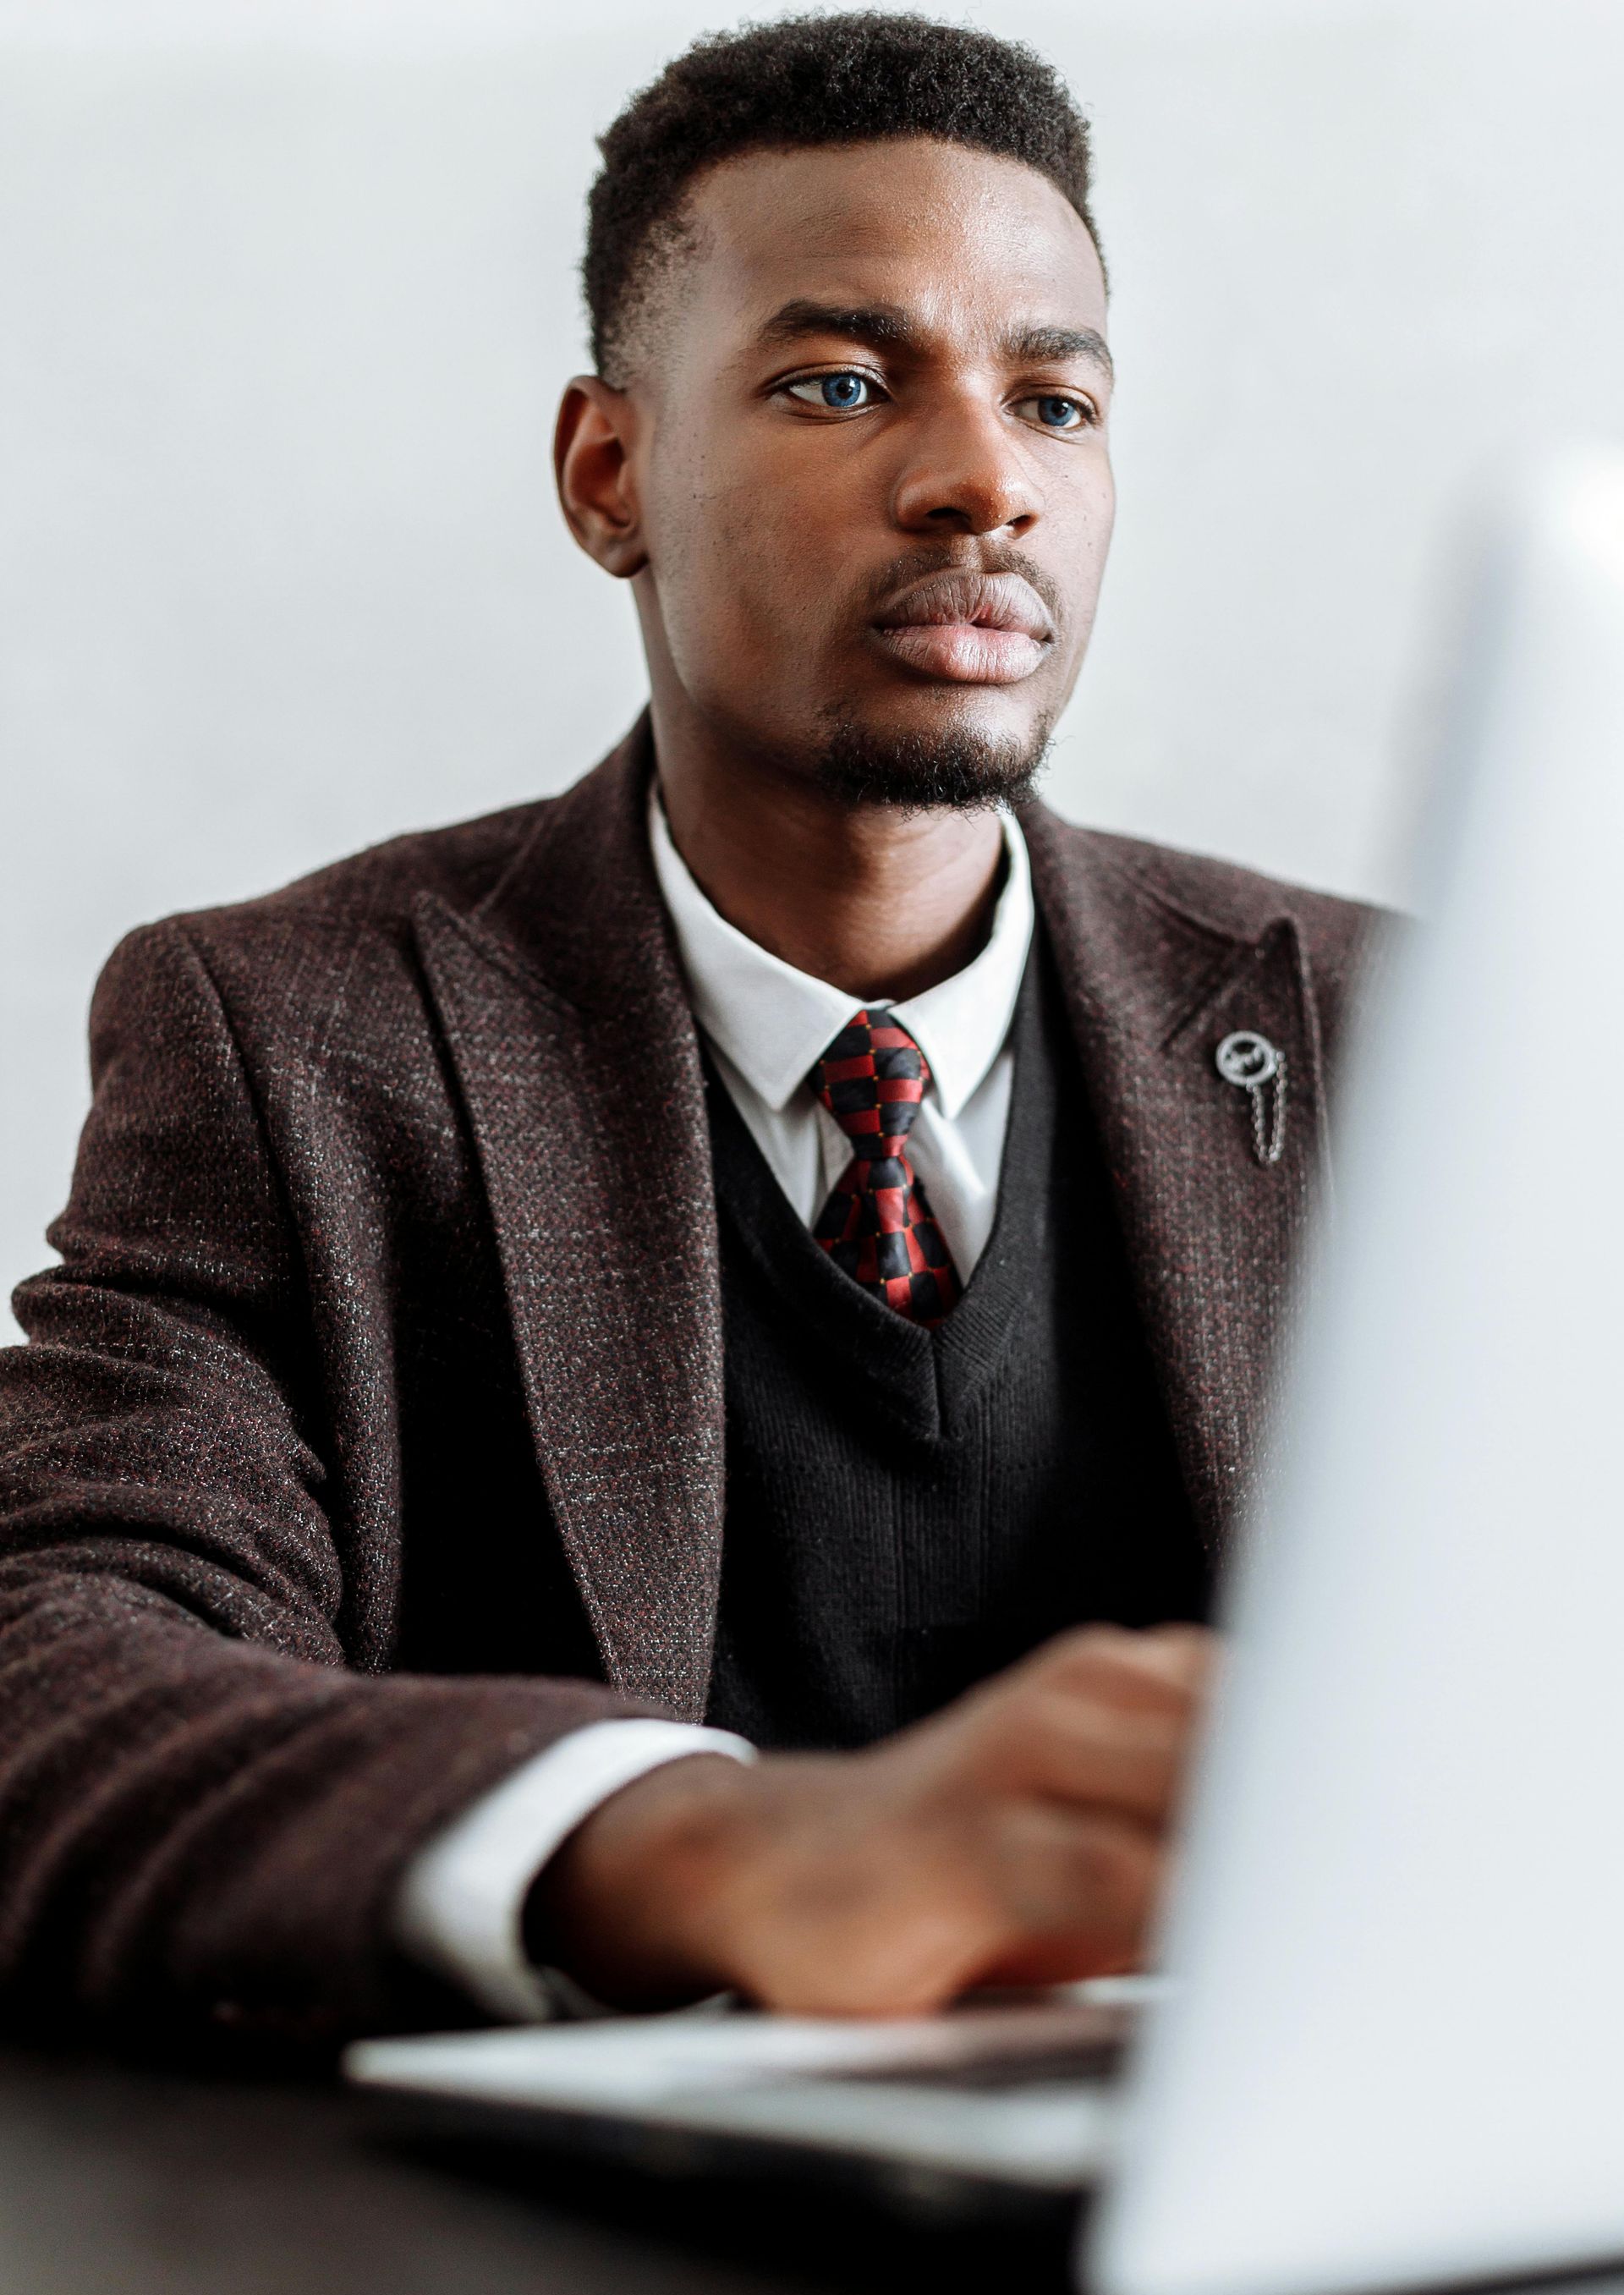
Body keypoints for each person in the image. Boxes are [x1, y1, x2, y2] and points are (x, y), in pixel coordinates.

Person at [0, 13, 1372, 2053]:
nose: (984, 477)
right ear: (609, 472)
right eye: (839, 381)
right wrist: (713, 1852)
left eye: (1057, 401)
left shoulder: (1389, 1030)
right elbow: (51, 1673)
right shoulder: (286, 1037)